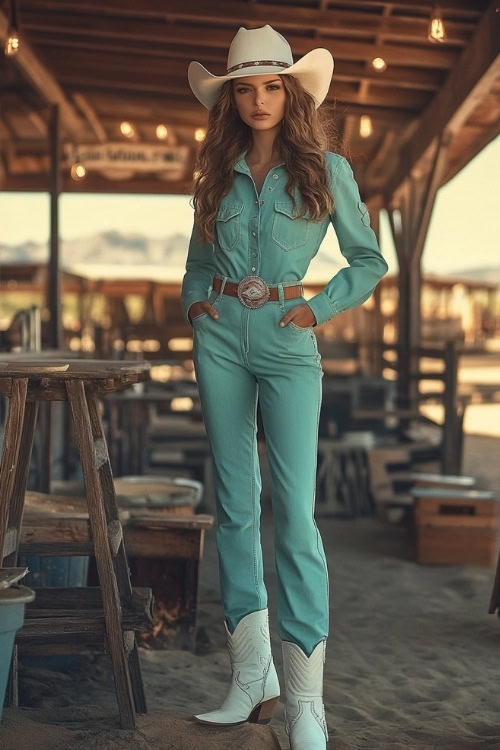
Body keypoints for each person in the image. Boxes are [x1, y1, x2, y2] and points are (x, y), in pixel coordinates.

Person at [180, 24, 388, 750]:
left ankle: (305, 701)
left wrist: (318, 307)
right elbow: (194, 265)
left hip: (290, 342)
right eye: (246, 88)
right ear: (231, 98)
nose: (260, 99)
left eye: (272, 85)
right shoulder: (216, 171)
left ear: (292, 92)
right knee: (236, 508)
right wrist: (197, 304)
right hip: (221, 344)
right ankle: (251, 678)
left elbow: (368, 262)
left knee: (295, 515)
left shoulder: (328, 169)